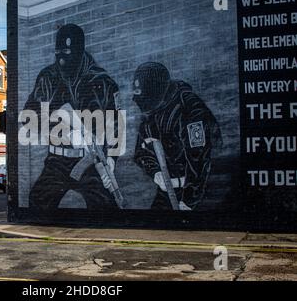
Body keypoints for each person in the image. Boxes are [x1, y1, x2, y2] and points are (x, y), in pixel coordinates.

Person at [24, 24, 121, 212]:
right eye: (57, 52)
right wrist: (64, 132)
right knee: (37, 201)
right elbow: (29, 116)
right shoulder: (48, 77)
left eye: (67, 52)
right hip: (57, 161)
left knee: (107, 207)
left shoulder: (101, 81)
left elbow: (115, 124)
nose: (61, 59)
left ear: (79, 50)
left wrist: (111, 160)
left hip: (91, 161)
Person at [133, 62, 221, 211]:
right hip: (169, 189)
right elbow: (141, 151)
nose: (136, 99)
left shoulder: (190, 110)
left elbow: (199, 158)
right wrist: (156, 172)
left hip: (199, 190)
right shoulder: (151, 112)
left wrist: (189, 200)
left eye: (141, 93)